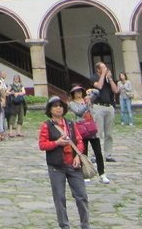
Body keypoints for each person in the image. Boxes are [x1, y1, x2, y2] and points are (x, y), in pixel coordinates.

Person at [39, 97, 91, 229]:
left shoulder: (70, 124)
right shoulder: (47, 126)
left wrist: (78, 156)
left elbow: (79, 141)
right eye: (55, 106)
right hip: (56, 167)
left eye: (61, 106)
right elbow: (42, 144)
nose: (58, 108)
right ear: (50, 110)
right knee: (60, 198)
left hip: (73, 165)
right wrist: (56, 143)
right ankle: (64, 226)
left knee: (82, 196)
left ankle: (85, 225)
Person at [68, 86, 109, 184]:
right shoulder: (72, 103)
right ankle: (86, 173)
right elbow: (79, 112)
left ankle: (102, 173)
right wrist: (87, 104)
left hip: (91, 128)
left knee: (98, 152)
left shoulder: (87, 99)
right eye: (76, 92)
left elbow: (97, 93)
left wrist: (91, 91)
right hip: (82, 129)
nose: (78, 93)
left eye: (79, 91)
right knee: (84, 152)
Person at [90, 61, 118, 161]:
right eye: (103, 68)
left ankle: (108, 154)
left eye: (106, 67)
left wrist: (110, 78)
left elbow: (115, 90)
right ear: (98, 70)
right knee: (98, 132)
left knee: (109, 133)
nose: (106, 69)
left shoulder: (108, 79)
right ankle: (95, 154)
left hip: (109, 107)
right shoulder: (94, 77)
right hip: (98, 107)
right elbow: (99, 86)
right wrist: (102, 75)